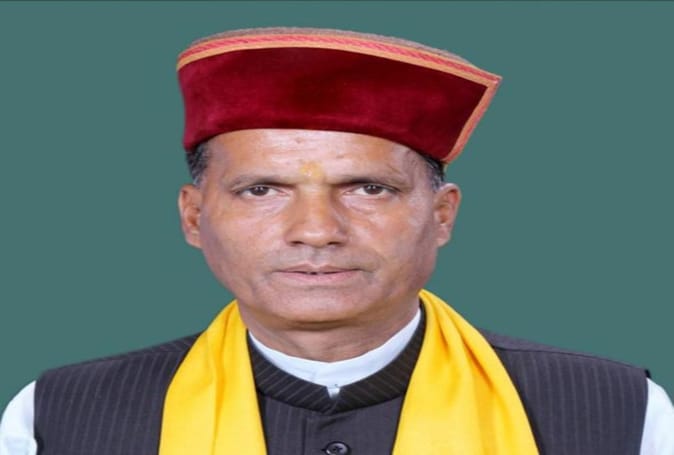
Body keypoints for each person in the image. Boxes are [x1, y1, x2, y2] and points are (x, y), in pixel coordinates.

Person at [1, 27, 672, 455]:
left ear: (442, 214)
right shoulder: (56, 417)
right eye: (262, 190)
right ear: (194, 216)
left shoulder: (618, 411)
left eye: (368, 189)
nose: (317, 230)